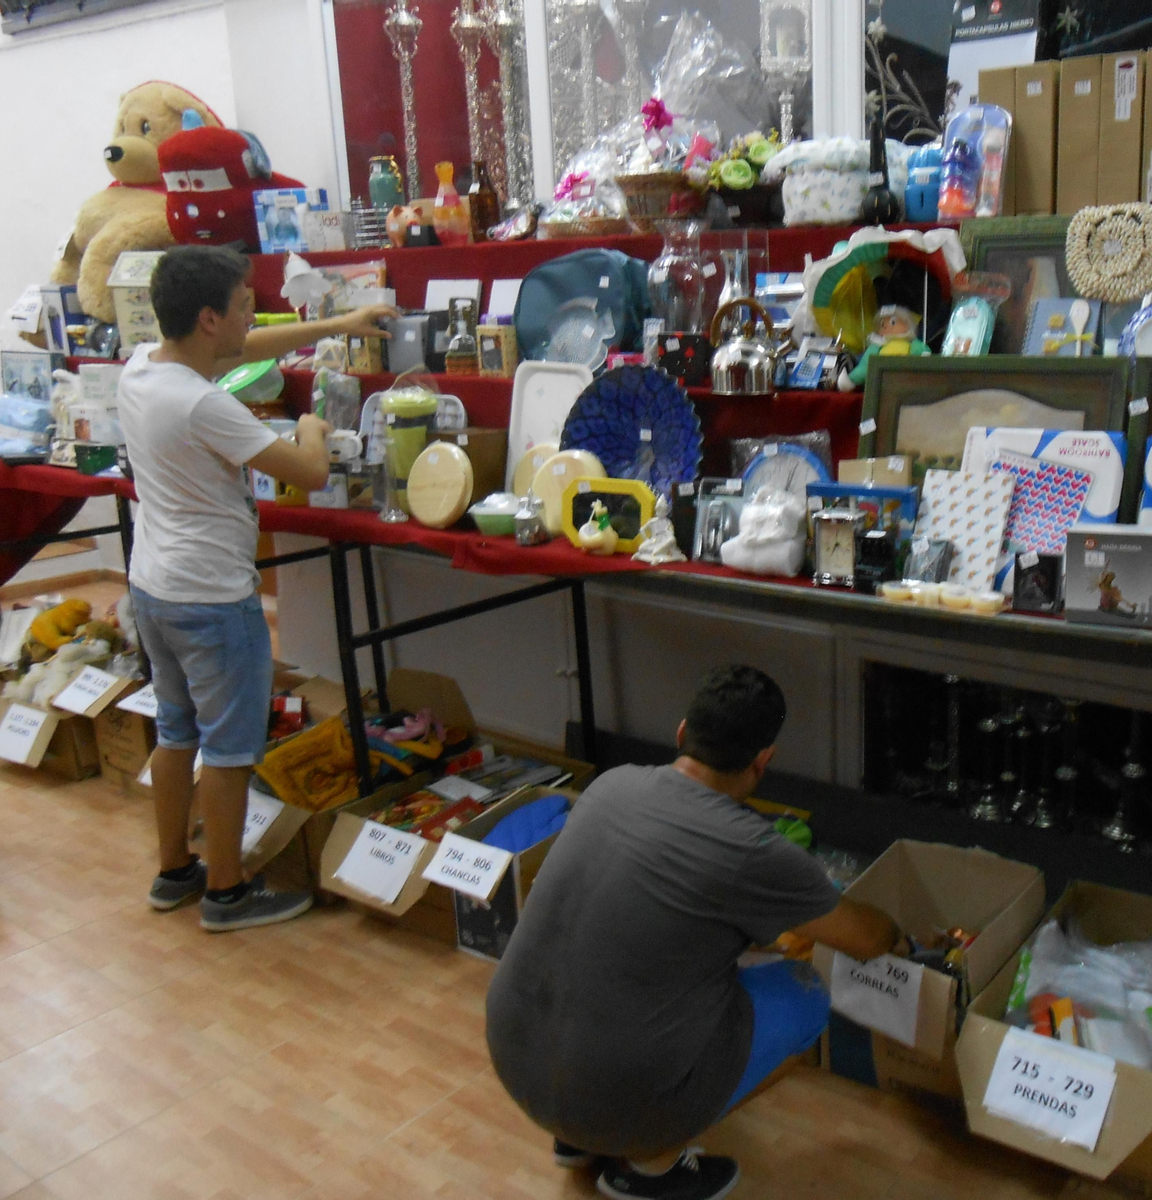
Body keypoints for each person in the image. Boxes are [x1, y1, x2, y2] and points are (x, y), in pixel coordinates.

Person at [487, 666, 900, 1200]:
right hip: (610, 1094)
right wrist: (900, 935)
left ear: (682, 734)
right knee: (806, 994)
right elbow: (865, 939)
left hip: (513, 1055)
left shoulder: (613, 783)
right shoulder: (753, 849)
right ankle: (651, 1168)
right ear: (763, 760)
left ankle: (579, 1137)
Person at [118, 244, 396, 932]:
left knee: (177, 730)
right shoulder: (201, 404)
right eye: (244, 306)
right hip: (210, 598)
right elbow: (305, 472)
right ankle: (227, 891)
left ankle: (172, 872)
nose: (253, 317)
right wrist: (311, 425)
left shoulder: (141, 369)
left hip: (153, 587)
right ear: (209, 319)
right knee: (230, 747)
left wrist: (339, 325)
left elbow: (247, 345)